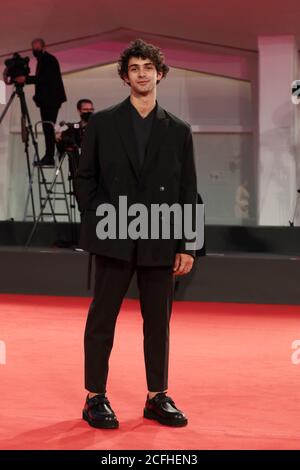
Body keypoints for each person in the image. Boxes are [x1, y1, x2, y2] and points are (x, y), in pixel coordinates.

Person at [75, 39, 198, 429]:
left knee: (158, 322)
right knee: (102, 319)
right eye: (135, 67)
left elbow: (188, 191)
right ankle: (95, 397)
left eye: (148, 66)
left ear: (159, 73)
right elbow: (85, 178)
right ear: (125, 76)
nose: (142, 73)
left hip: (161, 239)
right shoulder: (103, 122)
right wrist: (100, 220)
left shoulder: (178, 130)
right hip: (114, 234)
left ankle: (156, 396)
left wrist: (189, 245)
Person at [25, 38, 67, 166]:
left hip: (51, 100)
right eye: (33, 48)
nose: (35, 51)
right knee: (47, 127)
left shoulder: (48, 60)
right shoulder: (44, 60)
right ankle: (49, 156)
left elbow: (43, 79)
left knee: (48, 127)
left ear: (43, 47)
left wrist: (26, 79)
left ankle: (49, 157)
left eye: (37, 48)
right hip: (48, 100)